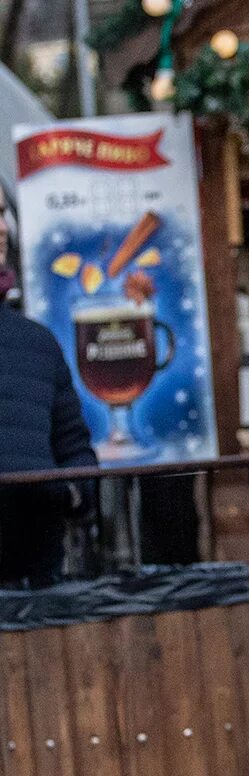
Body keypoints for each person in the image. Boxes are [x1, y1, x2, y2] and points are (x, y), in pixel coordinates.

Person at [0, 213, 97, 586]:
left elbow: (75, 450)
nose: (3, 227)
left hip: (37, 591)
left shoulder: (37, 343)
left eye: (2, 214)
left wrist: (71, 493)